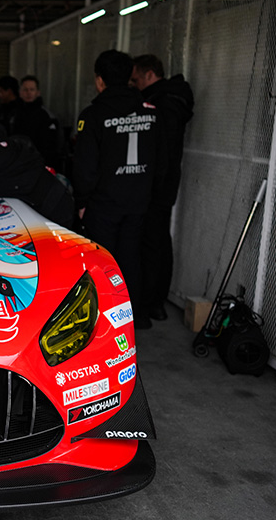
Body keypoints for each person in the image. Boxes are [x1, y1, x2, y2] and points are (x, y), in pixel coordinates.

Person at [73, 50, 163, 329]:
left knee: (102, 261)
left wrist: (81, 200)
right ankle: (135, 317)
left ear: (100, 80)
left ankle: (105, 323)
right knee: (131, 256)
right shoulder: (151, 111)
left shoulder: (93, 115)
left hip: (103, 202)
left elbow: (85, 166)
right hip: (139, 199)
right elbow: (161, 158)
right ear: (129, 77)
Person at [131, 54, 195, 321]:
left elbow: (163, 152)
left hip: (157, 184)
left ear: (149, 75)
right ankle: (154, 301)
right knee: (157, 240)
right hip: (163, 183)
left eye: (136, 79)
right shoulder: (170, 99)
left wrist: (151, 185)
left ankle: (150, 303)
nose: (134, 85)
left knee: (151, 242)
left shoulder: (163, 104)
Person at [15, 75, 61, 170]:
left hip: (39, 164)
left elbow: (51, 147)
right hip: (18, 163)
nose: (28, 93)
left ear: (38, 92)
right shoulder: (14, 115)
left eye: (32, 89)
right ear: (20, 93)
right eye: (25, 90)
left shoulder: (47, 117)